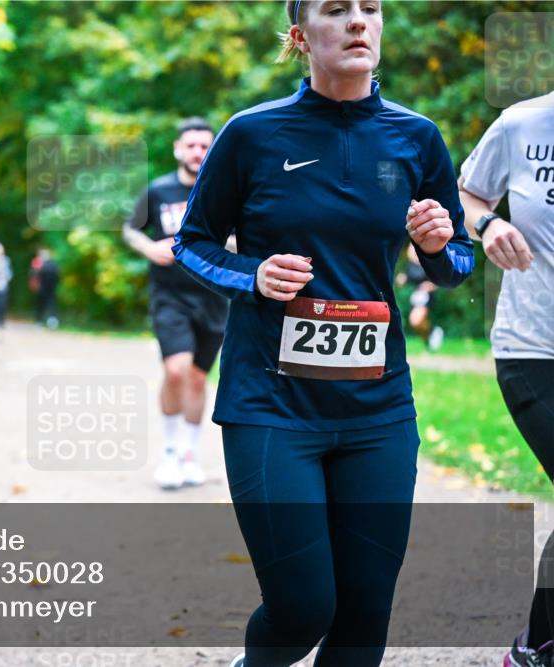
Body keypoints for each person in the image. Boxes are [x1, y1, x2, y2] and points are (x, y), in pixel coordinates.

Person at [170, 2, 474, 665]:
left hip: (378, 409)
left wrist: (435, 245)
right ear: (302, 36)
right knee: (305, 606)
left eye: (371, 9)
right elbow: (192, 242)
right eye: (338, 10)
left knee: (365, 615)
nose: (359, 21)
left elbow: (458, 264)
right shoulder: (252, 135)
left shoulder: (416, 137)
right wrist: (252, 274)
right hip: (272, 405)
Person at [457, 90, 553, 667]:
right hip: (534, 347)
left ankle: (537, 646)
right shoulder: (521, 124)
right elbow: (464, 195)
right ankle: (539, 648)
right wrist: (488, 224)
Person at [123, 117, 231, 489]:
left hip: (213, 296)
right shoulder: (158, 190)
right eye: (191, 145)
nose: (197, 152)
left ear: (212, 149)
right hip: (170, 295)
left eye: (204, 146)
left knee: (198, 378)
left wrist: (206, 249)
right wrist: (151, 248)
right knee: (175, 370)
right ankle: (169, 451)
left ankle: (189, 453)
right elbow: (129, 229)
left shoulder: (222, 191)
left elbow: (243, 238)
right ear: (177, 148)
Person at [395, 243, 444, 351]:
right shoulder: (410, 266)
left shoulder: (429, 262)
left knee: (415, 320)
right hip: (417, 296)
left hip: (427, 295)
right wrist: (403, 279)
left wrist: (430, 285)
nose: (411, 252)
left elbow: (441, 279)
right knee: (415, 323)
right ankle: (430, 336)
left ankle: (433, 332)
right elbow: (410, 277)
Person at [33, 248, 60, 328]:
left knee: (40, 306)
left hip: (42, 290)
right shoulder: (54, 265)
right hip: (52, 290)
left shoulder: (40, 265)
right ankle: (52, 322)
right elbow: (58, 277)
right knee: (51, 305)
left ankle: (39, 321)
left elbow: (36, 276)